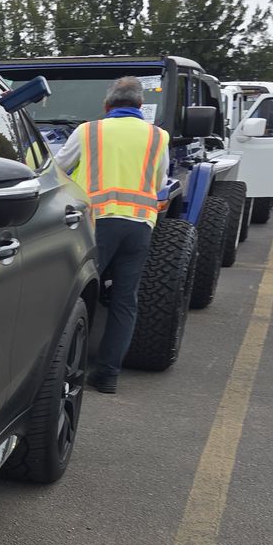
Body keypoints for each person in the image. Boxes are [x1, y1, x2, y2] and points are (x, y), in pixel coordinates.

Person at [54, 77, 170, 394]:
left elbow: (58, 167)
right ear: (139, 106)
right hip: (139, 226)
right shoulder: (158, 137)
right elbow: (160, 182)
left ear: (107, 105)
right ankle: (107, 374)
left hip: (97, 223)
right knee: (124, 301)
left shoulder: (89, 131)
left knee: (74, 294)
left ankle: (61, 370)